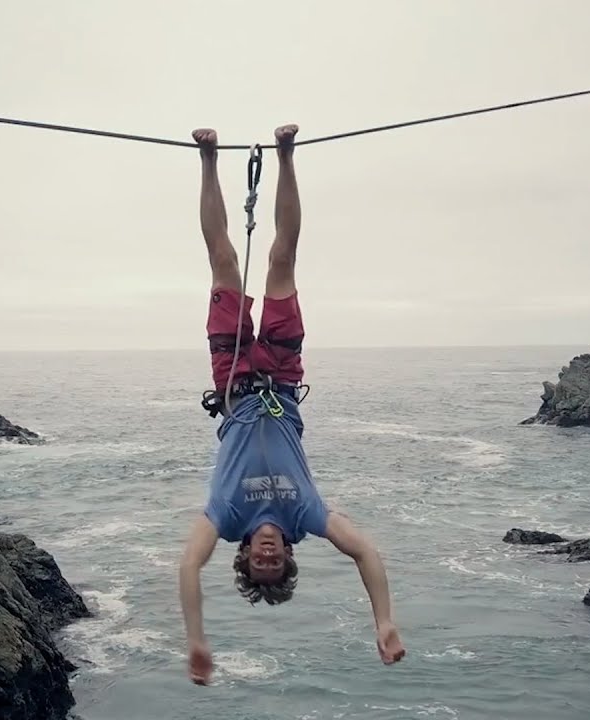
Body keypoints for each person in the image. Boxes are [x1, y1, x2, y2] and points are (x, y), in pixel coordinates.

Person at [177, 124, 406, 686]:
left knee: (223, 260)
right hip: (280, 378)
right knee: (282, 258)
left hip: (232, 378)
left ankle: (207, 160)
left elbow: (187, 566)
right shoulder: (305, 517)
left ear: (246, 556)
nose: (269, 552)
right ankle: (286, 155)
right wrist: (385, 621)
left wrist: (196, 640)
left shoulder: (227, 518)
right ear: (288, 555)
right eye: (276, 560)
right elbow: (365, 552)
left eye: (261, 561)